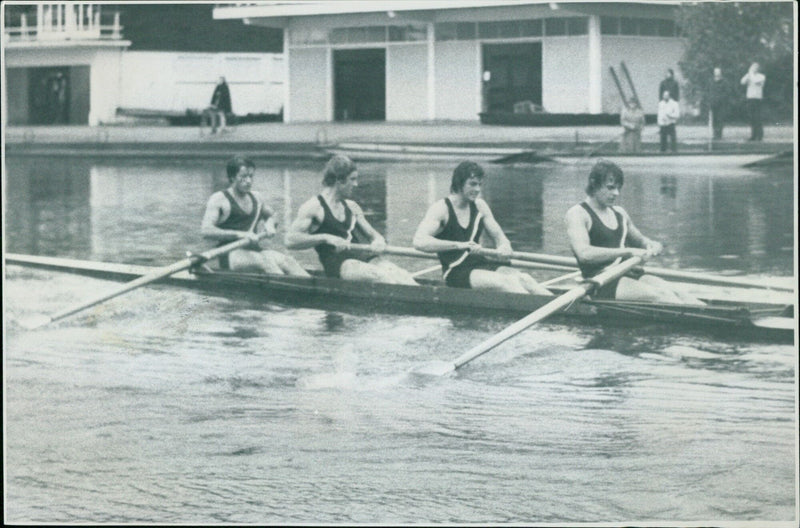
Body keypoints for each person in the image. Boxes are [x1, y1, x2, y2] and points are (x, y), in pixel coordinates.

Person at [565, 160, 703, 305]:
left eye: (618, 188)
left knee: (678, 293)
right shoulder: (577, 213)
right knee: (661, 295)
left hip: (629, 274)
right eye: (610, 188)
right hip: (601, 282)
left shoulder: (620, 213)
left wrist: (653, 245)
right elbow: (584, 254)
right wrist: (627, 252)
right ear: (593, 183)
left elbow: (642, 241)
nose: (616, 193)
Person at [413, 161, 552, 295]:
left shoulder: (480, 206)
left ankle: (564, 311)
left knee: (525, 279)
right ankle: (542, 314)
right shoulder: (441, 209)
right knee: (508, 282)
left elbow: (500, 238)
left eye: (480, 184)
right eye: (472, 184)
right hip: (456, 271)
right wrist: (459, 245)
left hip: (481, 264)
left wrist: (504, 246)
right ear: (458, 183)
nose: (478, 190)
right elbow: (419, 242)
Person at [285, 155, 417, 285]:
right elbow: (290, 241)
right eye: (352, 179)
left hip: (364, 259)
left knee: (402, 275)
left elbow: (373, 234)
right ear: (339, 180)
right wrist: (325, 237)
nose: (356, 184)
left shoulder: (352, 207)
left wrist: (378, 240)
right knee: (380, 276)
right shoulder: (313, 207)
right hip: (341, 265)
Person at [201, 156, 309, 276]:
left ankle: (312, 288)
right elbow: (206, 231)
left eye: (251, 176)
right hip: (227, 253)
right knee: (266, 263)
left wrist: (270, 223)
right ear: (232, 178)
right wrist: (240, 234)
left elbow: (273, 215)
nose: (248, 181)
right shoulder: (219, 199)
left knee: (288, 261)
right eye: (243, 177)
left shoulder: (257, 197)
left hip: (253, 250)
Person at [740, 62, 765, 141]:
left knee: (758, 117)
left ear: (758, 69)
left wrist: (750, 73)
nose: (754, 69)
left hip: (757, 99)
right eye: (753, 67)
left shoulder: (761, 76)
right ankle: (753, 135)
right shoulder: (749, 76)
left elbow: (754, 81)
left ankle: (760, 135)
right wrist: (748, 74)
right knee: (751, 118)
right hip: (750, 98)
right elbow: (742, 82)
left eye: (756, 67)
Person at [709, 67, 727, 140]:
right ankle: (715, 134)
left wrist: (721, 99)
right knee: (714, 119)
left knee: (720, 119)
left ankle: (719, 134)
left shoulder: (724, 82)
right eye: (715, 72)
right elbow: (710, 92)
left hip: (721, 104)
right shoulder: (711, 81)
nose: (717, 73)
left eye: (718, 72)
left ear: (720, 73)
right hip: (713, 103)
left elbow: (726, 92)